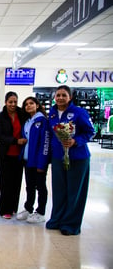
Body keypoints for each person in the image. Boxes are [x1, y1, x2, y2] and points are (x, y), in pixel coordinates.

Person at [46, 85, 94, 235]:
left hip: (77, 157)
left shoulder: (79, 113)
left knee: (75, 191)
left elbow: (90, 132)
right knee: (59, 190)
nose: (60, 98)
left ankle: (70, 224)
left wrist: (75, 141)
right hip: (58, 157)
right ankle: (57, 219)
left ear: (70, 97)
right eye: (58, 95)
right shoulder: (52, 114)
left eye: (63, 95)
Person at [0, 91, 27, 219]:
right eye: (10, 102)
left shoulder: (22, 115)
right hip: (5, 154)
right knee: (5, 182)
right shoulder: (0, 117)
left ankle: (13, 207)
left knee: (17, 182)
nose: (13, 104)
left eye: (15, 102)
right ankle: (4, 209)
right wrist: (15, 141)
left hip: (19, 154)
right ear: (6, 102)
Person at [16, 97, 50, 223]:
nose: (28, 106)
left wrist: (42, 162)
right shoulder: (27, 121)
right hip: (27, 160)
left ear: (37, 105)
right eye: (26, 104)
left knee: (40, 186)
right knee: (29, 186)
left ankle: (40, 212)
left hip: (38, 161)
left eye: (31, 103)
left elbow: (45, 142)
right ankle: (28, 208)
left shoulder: (42, 121)